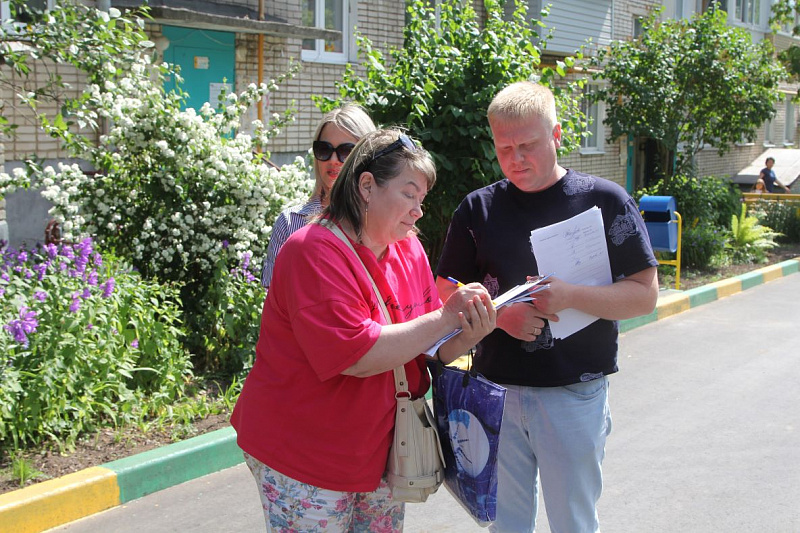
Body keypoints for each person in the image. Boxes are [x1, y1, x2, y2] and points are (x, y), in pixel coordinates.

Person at [232, 129, 497, 532]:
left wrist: (467, 333)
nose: (418, 211)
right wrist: (445, 318)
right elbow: (356, 356)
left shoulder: (407, 248)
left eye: (422, 199)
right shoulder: (313, 251)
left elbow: (429, 346)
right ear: (367, 186)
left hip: (380, 453)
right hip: (305, 455)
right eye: (409, 194)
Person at [435, 81, 659, 533]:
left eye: (528, 145)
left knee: (573, 523)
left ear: (556, 135)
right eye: (504, 148)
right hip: (495, 391)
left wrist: (572, 295)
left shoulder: (604, 200)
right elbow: (445, 285)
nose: (516, 158)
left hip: (573, 393)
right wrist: (500, 318)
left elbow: (644, 293)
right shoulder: (478, 208)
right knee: (507, 525)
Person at [260, 104, 377, 288]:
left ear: (368, 156)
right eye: (324, 149)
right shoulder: (290, 222)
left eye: (346, 151)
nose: (332, 160)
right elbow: (274, 303)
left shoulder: (381, 224)